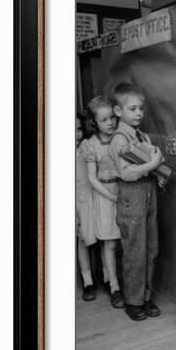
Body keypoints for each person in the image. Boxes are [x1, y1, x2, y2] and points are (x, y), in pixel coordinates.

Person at [109, 82, 164, 321]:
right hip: (131, 196)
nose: (139, 113)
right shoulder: (119, 140)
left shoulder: (141, 135)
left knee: (150, 247)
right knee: (134, 250)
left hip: (148, 193)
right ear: (118, 111)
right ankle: (133, 300)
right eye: (132, 109)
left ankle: (146, 297)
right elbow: (127, 173)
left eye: (141, 108)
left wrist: (158, 175)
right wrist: (152, 165)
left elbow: (148, 166)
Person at [80, 96, 124, 309]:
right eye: (104, 119)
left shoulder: (121, 137)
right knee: (110, 242)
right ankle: (114, 287)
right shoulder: (90, 145)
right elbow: (91, 178)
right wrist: (111, 196)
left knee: (125, 241)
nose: (110, 122)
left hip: (123, 190)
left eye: (112, 117)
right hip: (104, 195)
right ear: (94, 123)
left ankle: (122, 281)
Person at [76, 113, 102, 301]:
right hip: (77, 200)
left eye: (78, 129)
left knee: (101, 237)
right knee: (83, 240)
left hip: (94, 196)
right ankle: (87, 281)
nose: (76, 134)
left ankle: (108, 279)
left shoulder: (88, 146)